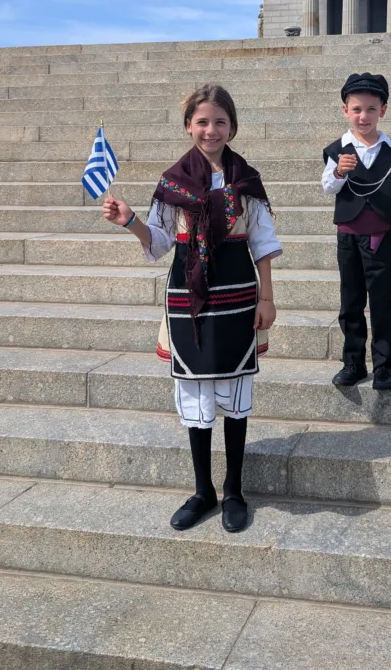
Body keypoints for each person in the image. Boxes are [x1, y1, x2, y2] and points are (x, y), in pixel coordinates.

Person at [103, 84, 281, 533]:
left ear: (232, 127)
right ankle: (204, 491)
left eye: (220, 121)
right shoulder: (171, 182)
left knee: (236, 397)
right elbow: (161, 243)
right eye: (202, 121)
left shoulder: (247, 179)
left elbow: (262, 242)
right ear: (188, 126)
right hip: (189, 297)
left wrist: (268, 296)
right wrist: (130, 221)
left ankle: (235, 489)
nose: (211, 129)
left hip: (240, 295)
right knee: (196, 395)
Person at [322, 73, 391, 391]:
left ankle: (383, 366)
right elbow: (328, 186)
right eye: (356, 109)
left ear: (383, 110)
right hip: (348, 235)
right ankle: (353, 362)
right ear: (345, 111)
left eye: (370, 108)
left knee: (381, 301)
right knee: (350, 301)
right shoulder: (337, 149)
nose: (363, 116)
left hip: (379, 236)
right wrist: (340, 170)